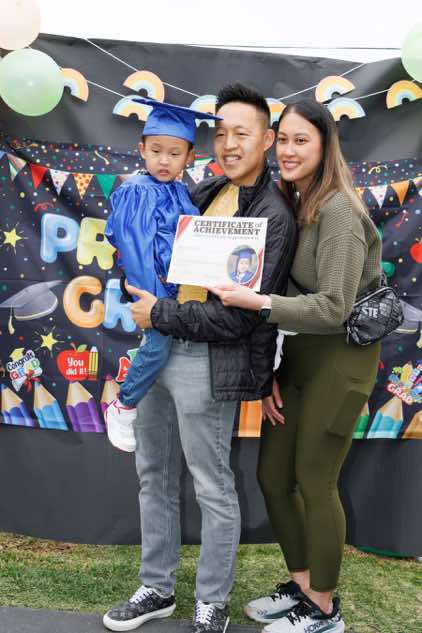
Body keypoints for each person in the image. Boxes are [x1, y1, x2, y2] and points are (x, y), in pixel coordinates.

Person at [102, 83, 297, 633]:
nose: (229, 143)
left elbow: (241, 317)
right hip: (160, 347)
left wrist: (160, 314)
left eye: (242, 133)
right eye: (221, 133)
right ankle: (157, 587)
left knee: (211, 484)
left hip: (207, 359)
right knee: (153, 475)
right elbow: (150, 257)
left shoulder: (273, 214)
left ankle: (212, 600)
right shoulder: (201, 190)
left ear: (266, 139)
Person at [208, 99, 382, 633]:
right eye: (282, 139)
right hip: (302, 355)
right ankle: (304, 586)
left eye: (301, 140)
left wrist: (256, 302)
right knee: (272, 476)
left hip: (343, 360)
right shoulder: (295, 201)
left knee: (314, 480)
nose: (287, 150)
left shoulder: (339, 211)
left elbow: (333, 308)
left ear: (325, 147)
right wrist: (271, 375)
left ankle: (325, 610)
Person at [104, 99, 219, 452]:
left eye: (174, 153)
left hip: (177, 293)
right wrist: (154, 302)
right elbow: (135, 247)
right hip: (154, 291)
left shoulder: (180, 191)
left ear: (190, 157)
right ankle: (122, 405)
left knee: (161, 352)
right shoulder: (138, 190)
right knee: (156, 347)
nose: (164, 161)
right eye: (156, 151)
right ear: (142, 150)